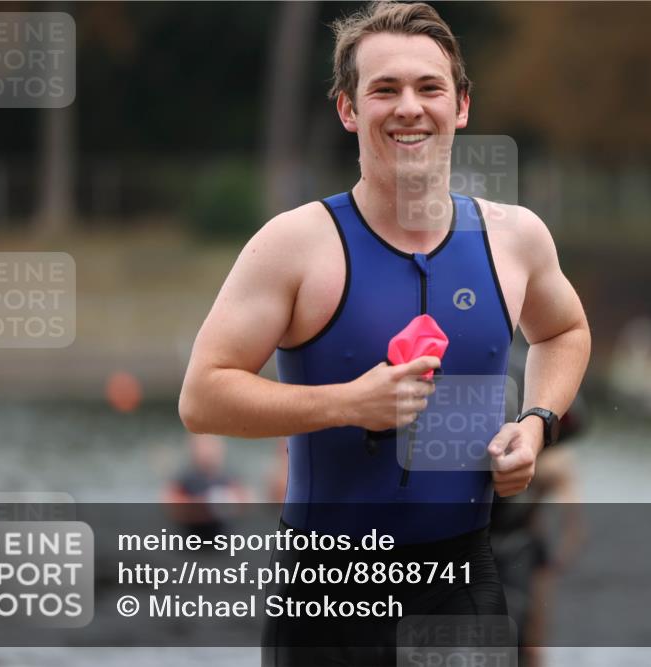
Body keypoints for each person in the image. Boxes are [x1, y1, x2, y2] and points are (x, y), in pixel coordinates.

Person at [179, 2, 590, 663]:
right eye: (384, 90)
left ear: (461, 106)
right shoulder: (294, 244)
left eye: (429, 88)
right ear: (348, 109)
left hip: (461, 582)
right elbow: (201, 397)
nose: (409, 108)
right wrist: (348, 403)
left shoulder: (515, 238)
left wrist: (537, 421)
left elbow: (565, 329)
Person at [163, 433, 254, 540]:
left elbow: (247, 501)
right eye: (203, 446)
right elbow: (171, 504)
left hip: (223, 543)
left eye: (211, 445)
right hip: (190, 543)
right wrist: (206, 504)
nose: (207, 451)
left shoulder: (228, 476)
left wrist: (230, 501)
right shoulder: (183, 477)